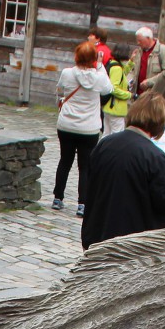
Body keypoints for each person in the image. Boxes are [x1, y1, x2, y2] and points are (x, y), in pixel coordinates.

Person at [80, 91, 165, 248]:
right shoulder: (158, 158)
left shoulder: (104, 144)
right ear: (160, 121)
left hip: (96, 235)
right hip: (133, 245)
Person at [52, 41, 113, 216]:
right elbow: (108, 89)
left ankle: (58, 197)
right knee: (85, 166)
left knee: (65, 160)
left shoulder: (67, 73)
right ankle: (83, 203)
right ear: (94, 58)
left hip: (67, 124)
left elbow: (60, 91)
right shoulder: (100, 77)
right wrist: (100, 65)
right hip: (89, 127)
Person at [128, 27, 165, 95]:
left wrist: (150, 82)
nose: (138, 43)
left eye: (140, 40)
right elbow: (133, 70)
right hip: (138, 95)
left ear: (148, 38)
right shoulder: (138, 52)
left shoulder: (162, 51)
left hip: (154, 95)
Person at [101, 47, 134, 135]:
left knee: (106, 134)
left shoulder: (112, 64)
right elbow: (114, 88)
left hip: (108, 107)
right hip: (116, 107)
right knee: (117, 135)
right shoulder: (117, 68)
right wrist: (129, 95)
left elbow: (122, 75)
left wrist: (131, 62)